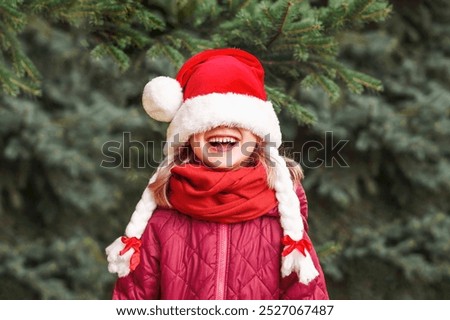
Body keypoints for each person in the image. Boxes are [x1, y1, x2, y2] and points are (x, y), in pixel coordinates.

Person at [106, 48, 329, 299]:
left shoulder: (283, 219)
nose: (222, 126)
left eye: (238, 120)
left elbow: (306, 298)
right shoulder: (161, 215)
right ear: (188, 138)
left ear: (258, 135)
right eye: (207, 121)